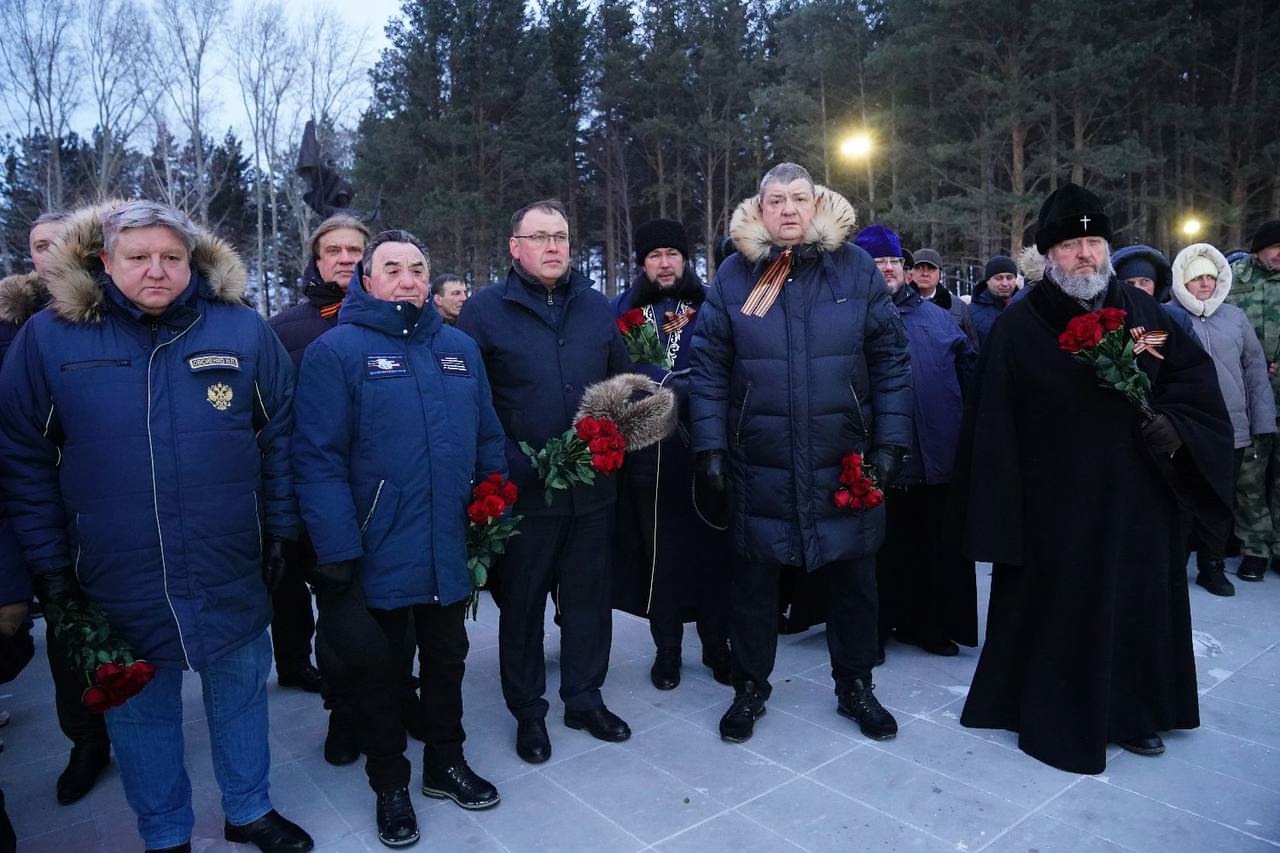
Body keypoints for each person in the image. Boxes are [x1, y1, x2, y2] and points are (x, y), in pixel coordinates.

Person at [0, 200, 313, 852]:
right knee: (141, 712)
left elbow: (281, 433)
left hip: (227, 558)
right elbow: (23, 457)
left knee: (239, 690)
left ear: (191, 261)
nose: (156, 270)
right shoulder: (50, 337)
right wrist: (50, 566)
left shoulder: (240, 329)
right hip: (115, 571)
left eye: (171, 257)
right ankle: (166, 830)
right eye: (138, 257)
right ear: (105, 261)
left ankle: (249, 808)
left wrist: (282, 528)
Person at [955, 183, 1234, 774]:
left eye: (1094, 242)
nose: (1085, 255)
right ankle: (1053, 707)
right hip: (1057, 510)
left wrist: (1175, 427)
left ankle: (1135, 714)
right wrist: (1003, 517)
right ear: (1047, 255)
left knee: (1136, 607)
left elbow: (1194, 384)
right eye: (1071, 245)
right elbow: (991, 428)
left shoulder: (1144, 314)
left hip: (1139, 503)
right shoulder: (1018, 327)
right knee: (1062, 612)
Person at [293, 230, 506, 847]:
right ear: (367, 279)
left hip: (447, 542)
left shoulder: (460, 349)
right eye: (392, 268)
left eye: (418, 267)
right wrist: (335, 548)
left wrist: (491, 504)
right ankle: (389, 782)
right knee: (380, 672)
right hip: (375, 547)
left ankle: (446, 762)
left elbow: (488, 435)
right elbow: (318, 458)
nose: (409, 279)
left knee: (448, 659)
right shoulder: (337, 353)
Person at [689, 163, 912, 744]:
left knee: (855, 581)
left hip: (845, 458)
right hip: (758, 459)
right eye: (775, 201)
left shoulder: (857, 270)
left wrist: (890, 442)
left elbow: (890, 360)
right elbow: (709, 367)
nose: (787, 210)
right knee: (755, 584)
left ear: (815, 205)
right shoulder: (735, 276)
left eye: (798, 199)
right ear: (758, 210)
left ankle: (856, 684)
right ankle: (750, 687)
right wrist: (711, 444)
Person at [456, 200, 633, 765]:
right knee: (525, 607)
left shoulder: (596, 308)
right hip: (524, 493)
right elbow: (472, 402)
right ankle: (528, 711)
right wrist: (513, 464)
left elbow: (621, 384)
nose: (553, 247)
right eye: (539, 237)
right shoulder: (484, 312)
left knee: (588, 602)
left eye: (561, 236)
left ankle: (584, 696)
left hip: (591, 491)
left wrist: (616, 436)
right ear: (515, 247)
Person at [0, 211, 116, 806]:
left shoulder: (105, 320)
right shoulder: (12, 327)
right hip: (26, 509)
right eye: (38, 245)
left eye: (60, 243)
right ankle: (86, 740)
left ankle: (125, 722)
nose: (49, 254)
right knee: (66, 636)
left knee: (106, 625)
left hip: (96, 512)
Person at [610, 218, 731, 690]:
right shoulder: (624, 311)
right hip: (651, 458)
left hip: (706, 450)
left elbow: (726, 366)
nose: (665, 263)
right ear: (642, 262)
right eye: (655, 255)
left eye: (673, 255)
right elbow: (617, 373)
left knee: (713, 554)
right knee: (660, 557)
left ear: (686, 259)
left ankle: (717, 643)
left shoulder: (709, 306)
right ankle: (667, 651)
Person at [268, 214, 371, 763]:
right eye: (334, 250)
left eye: (356, 248)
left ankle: (398, 697)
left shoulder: (400, 319)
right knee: (337, 617)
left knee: (394, 611)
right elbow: (273, 424)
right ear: (316, 258)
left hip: (386, 494)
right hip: (318, 499)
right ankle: (344, 713)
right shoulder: (286, 330)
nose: (346, 258)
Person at [868, 227, 978, 659]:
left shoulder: (939, 319)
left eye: (895, 262)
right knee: (880, 555)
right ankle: (874, 630)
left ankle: (927, 625)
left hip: (935, 461)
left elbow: (970, 378)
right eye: (878, 263)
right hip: (877, 463)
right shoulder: (851, 320)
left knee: (930, 551)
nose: (889, 269)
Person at [1166, 242, 1275, 596]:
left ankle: (1212, 565)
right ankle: (1172, 564)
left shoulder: (1235, 317)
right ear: (1182, 279)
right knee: (1181, 499)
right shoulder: (1165, 315)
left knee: (1219, 499)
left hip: (1232, 428)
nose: (1205, 284)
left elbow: (1255, 370)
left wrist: (1262, 422)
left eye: (1211, 277)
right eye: (1197, 277)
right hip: (1185, 426)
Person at [1226, 220, 1280, 581]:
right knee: (1249, 473)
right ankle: (1255, 547)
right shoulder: (1233, 278)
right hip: (1248, 392)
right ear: (1260, 247)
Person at [1113, 245, 1196, 339]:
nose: (1137, 289)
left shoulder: (1176, 319)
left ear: (1155, 285)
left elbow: (1196, 353)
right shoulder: (1108, 321)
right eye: (1130, 283)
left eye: (1144, 282)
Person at [909, 247, 977, 344]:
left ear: (939, 273)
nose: (925, 273)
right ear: (910, 272)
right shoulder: (899, 304)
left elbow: (971, 346)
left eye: (931, 268)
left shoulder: (957, 307)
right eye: (919, 268)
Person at [969, 256, 1018, 346]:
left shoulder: (1025, 307)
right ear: (987, 280)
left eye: (1009, 277)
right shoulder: (971, 313)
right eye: (999, 278)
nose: (1005, 283)